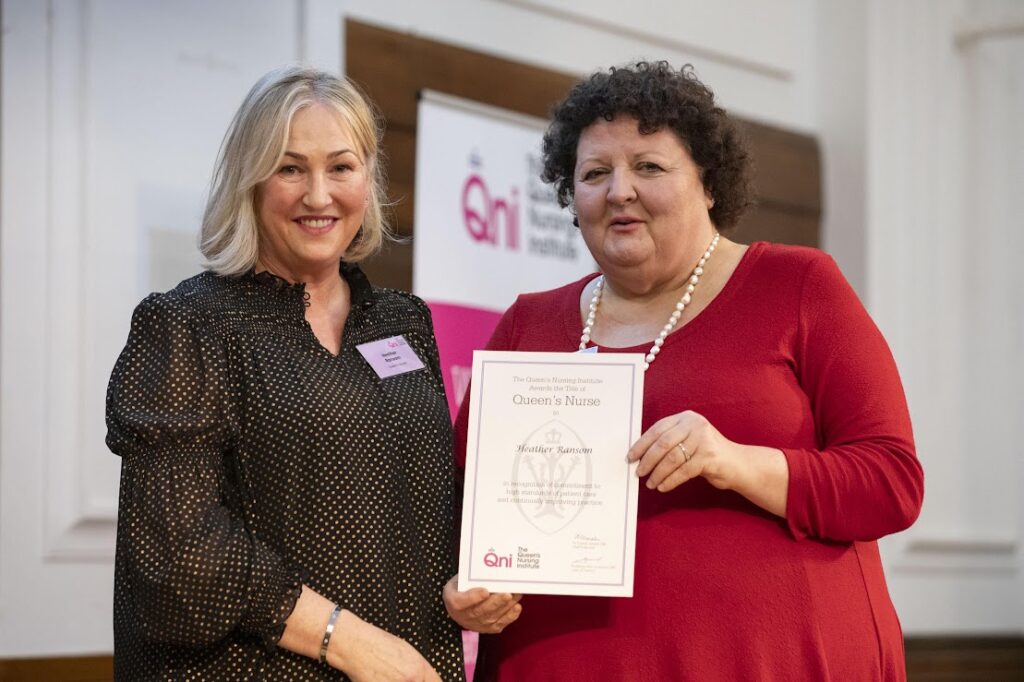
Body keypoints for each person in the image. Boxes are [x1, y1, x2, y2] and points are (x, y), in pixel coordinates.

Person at [443, 61, 924, 681]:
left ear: (709, 183)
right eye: (594, 173)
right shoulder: (526, 327)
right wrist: (461, 585)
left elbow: (891, 482)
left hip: (772, 663)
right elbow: (460, 513)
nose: (619, 190)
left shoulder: (799, 286)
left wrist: (732, 461)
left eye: (649, 166)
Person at [106, 66, 463, 681]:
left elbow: (422, 504)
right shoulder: (187, 324)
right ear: (249, 182)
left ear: (368, 180)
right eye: (290, 167)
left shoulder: (404, 323)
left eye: (341, 167)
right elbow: (177, 552)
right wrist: (353, 644)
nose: (318, 195)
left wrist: (471, 580)